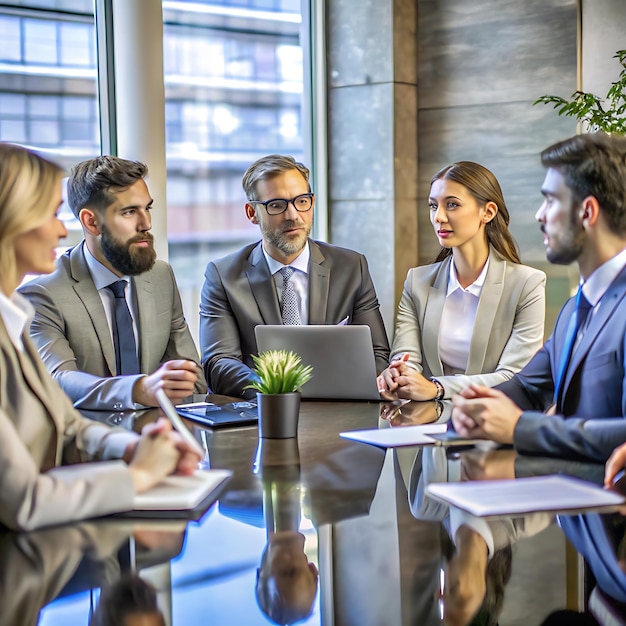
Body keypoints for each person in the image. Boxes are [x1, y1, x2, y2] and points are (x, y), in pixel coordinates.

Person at [0, 142, 202, 531]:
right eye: (50, 214)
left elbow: (68, 427)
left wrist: (133, 448)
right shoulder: (37, 297)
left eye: (148, 209)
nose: (62, 228)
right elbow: (22, 500)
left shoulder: (12, 319)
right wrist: (136, 477)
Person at [452, 133, 626, 460]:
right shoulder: (577, 307)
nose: (539, 215)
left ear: (587, 212)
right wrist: (472, 407)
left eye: (550, 200)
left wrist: (520, 427)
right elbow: (528, 388)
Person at [19, 155, 206, 411]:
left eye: (147, 208)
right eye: (129, 212)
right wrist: (138, 390)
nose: (146, 224)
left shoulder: (161, 276)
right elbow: (59, 381)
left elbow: (192, 380)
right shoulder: (42, 293)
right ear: (91, 222)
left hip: (159, 434)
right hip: (85, 445)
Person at [200, 154, 390, 400]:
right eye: (277, 205)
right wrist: (279, 389)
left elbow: (377, 353)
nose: (293, 215)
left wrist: (362, 383)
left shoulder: (352, 267)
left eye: (301, 201)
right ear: (252, 212)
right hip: (263, 416)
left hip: (341, 411)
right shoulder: (223, 276)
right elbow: (219, 364)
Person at [378, 161, 546, 403]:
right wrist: (396, 375)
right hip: (427, 426)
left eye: (452, 205)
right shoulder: (417, 282)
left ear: (487, 212)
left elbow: (514, 377)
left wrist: (437, 387)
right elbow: (407, 358)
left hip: (495, 424)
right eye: (433, 206)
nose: (439, 217)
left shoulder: (526, 284)